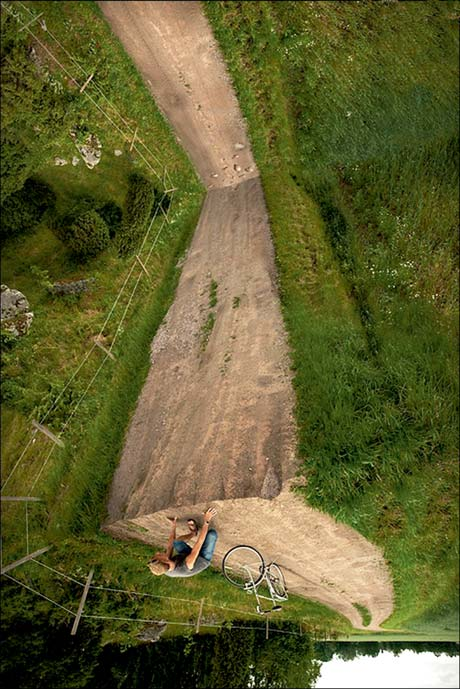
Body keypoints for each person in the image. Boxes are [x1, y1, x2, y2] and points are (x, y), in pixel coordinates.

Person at [148, 507, 217, 577]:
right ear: (165, 560)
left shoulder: (164, 565)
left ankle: (193, 532)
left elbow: (170, 546)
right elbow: (198, 544)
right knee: (212, 534)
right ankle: (202, 531)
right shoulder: (187, 565)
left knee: (177, 542)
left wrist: (174, 525)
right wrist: (206, 520)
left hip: (185, 555)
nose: (157, 553)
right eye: (158, 555)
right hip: (202, 558)